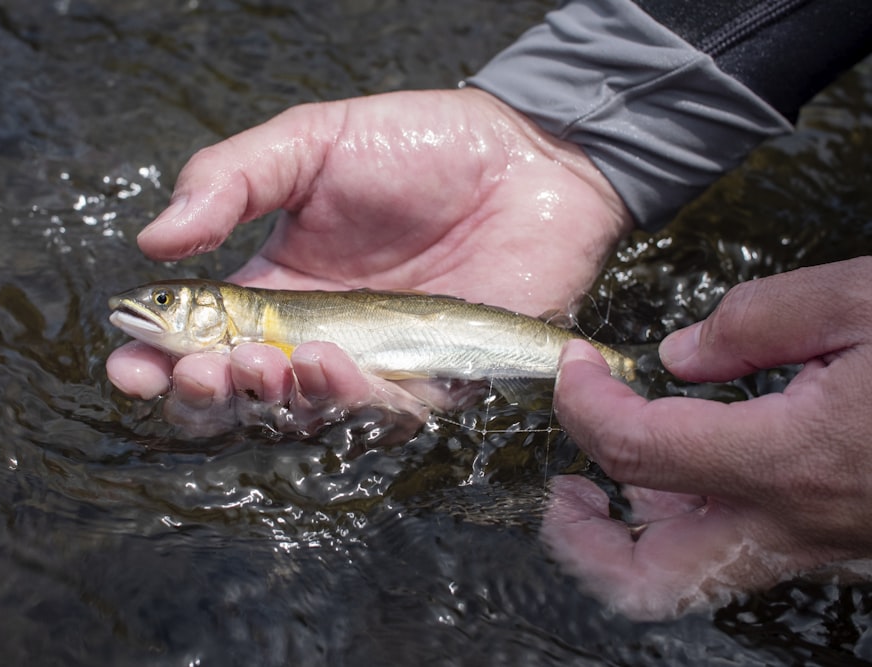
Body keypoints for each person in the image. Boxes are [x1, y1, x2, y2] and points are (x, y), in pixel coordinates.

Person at [107, 0, 872, 619]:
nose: (153, 306)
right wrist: (551, 132)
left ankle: (623, 369)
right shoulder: (254, 318)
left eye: (170, 299)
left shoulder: (255, 317)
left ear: (215, 310)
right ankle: (620, 368)